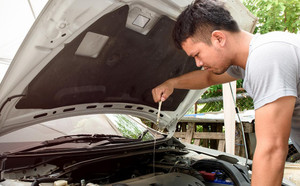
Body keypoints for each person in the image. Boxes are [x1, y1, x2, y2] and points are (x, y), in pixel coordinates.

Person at [151, 0, 300, 185]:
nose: (198, 63)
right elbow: (208, 78)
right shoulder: (249, 61)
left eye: (197, 54)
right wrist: (172, 83)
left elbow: (272, 150)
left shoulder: (267, 58)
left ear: (219, 38)